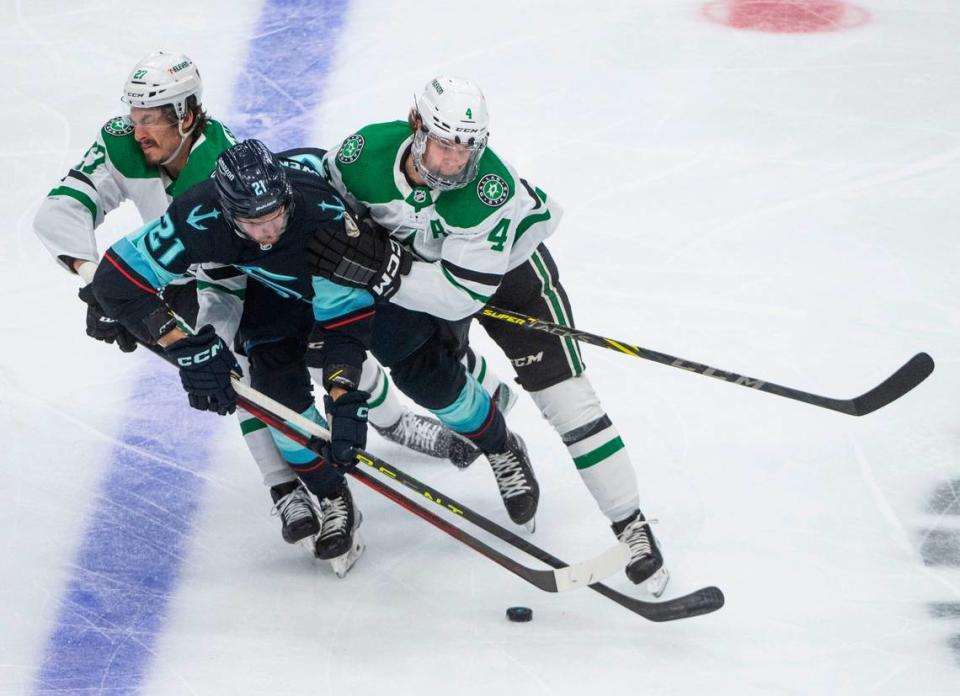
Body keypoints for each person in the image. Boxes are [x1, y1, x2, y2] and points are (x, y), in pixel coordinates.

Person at [33, 51, 477, 553]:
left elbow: (241, 275)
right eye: (134, 117)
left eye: (150, 118)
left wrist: (197, 330)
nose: (137, 131)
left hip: (237, 277)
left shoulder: (227, 161)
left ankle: (392, 420)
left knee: (308, 347)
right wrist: (97, 283)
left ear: (186, 114)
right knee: (235, 373)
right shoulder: (124, 141)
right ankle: (285, 484)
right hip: (171, 268)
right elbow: (61, 210)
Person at [308, 76, 668, 595]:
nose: (456, 161)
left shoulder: (489, 191)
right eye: (444, 145)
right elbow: (328, 207)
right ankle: (499, 435)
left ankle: (631, 527)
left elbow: (461, 297)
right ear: (417, 127)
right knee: (433, 374)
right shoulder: (361, 153)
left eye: (467, 149)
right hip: (421, 276)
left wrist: (383, 271)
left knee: (569, 402)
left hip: (510, 279)